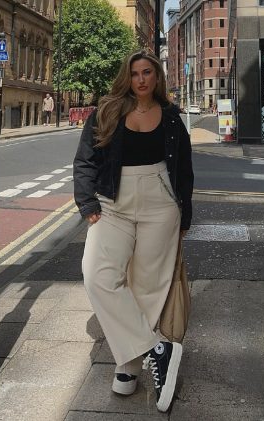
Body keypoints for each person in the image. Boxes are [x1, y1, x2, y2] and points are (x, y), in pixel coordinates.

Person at [73, 50, 194, 412]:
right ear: (127, 77)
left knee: (146, 284)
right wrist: (87, 203)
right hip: (113, 201)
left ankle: (128, 365)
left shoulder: (171, 117)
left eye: (148, 73)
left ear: (157, 77)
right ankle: (157, 348)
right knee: (97, 274)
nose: (141, 79)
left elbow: (184, 170)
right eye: (136, 73)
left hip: (161, 201)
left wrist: (184, 217)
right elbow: (85, 159)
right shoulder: (107, 111)